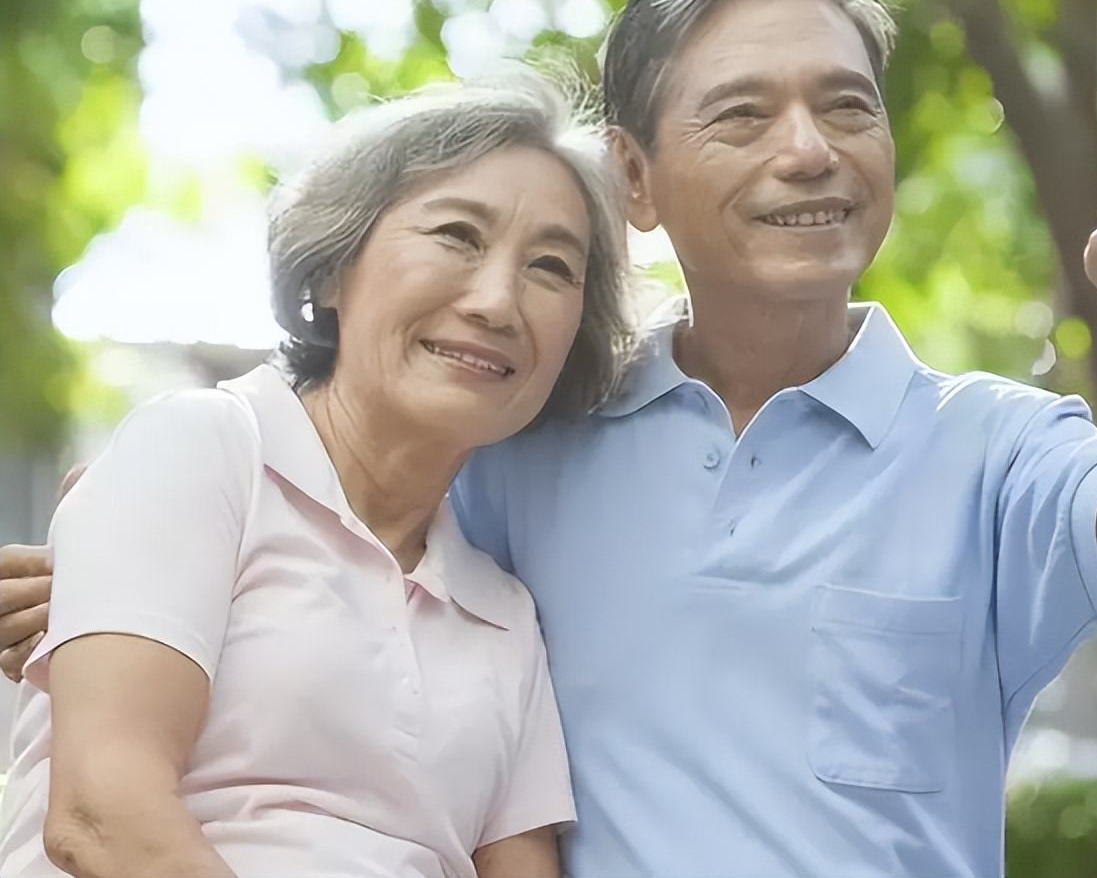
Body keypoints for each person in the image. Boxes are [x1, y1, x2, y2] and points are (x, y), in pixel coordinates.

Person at [0, 0, 1097, 878]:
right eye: (743, 113)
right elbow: (317, 495)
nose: (810, 149)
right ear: (637, 179)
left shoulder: (990, 446)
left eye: (848, 106)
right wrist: (117, 572)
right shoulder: (526, 432)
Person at [0, 70, 635, 877]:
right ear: (334, 270)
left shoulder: (505, 615)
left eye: (550, 266)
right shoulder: (201, 449)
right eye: (456, 236)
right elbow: (102, 815)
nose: (497, 301)